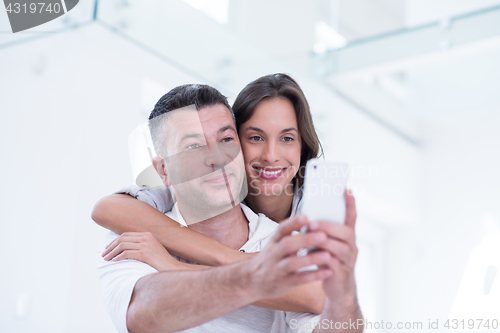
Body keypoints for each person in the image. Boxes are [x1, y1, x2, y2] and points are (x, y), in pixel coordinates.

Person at [97, 83, 363, 332]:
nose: (216, 159)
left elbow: (328, 319)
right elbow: (143, 312)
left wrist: (344, 290)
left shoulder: (286, 242)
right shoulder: (134, 239)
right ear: (164, 170)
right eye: (193, 146)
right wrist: (260, 275)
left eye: (226, 139)